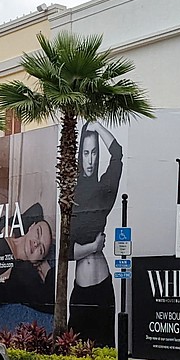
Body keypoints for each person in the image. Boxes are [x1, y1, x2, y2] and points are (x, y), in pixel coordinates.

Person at [68, 121, 122, 345]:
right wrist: (93, 247)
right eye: (85, 152)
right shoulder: (71, 193)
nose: (90, 160)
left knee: (105, 347)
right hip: (80, 291)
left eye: (94, 153)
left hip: (102, 288)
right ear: (79, 154)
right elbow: (67, 252)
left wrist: (96, 127)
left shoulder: (103, 189)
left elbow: (117, 154)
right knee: (75, 349)